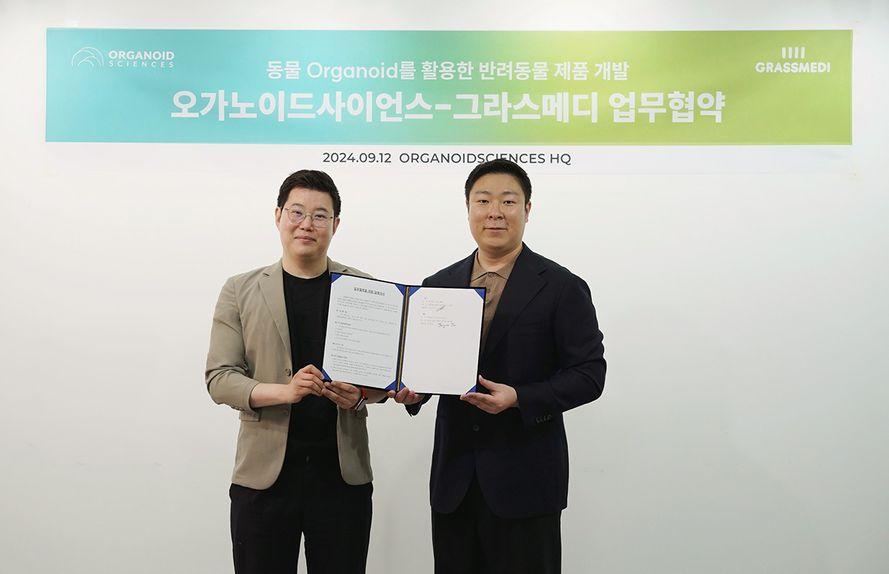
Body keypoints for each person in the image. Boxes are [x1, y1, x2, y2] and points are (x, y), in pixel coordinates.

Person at [391, 159, 607, 574]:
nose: (495, 212)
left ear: (527, 210)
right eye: (483, 201)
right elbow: (426, 368)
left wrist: (520, 398)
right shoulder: (437, 286)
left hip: (526, 479)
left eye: (508, 201)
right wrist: (413, 393)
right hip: (455, 481)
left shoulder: (561, 286)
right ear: (468, 208)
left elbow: (589, 375)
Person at [205, 169, 387, 574]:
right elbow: (220, 378)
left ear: (336, 224)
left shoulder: (366, 288)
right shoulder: (240, 289)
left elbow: (382, 382)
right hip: (264, 479)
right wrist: (283, 391)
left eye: (320, 215)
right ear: (278, 216)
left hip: (341, 476)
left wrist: (360, 396)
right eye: (297, 212)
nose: (307, 224)